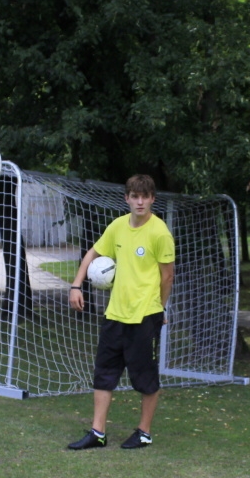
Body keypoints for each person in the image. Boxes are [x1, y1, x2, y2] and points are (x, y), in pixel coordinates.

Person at [67, 174, 175, 450]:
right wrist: (76, 285)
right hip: (115, 314)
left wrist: (159, 309)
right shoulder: (117, 226)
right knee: (104, 373)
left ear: (152, 199)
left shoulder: (160, 233)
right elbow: (93, 252)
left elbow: (167, 277)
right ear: (127, 198)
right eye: (135, 196)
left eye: (145, 196)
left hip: (144, 316)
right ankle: (97, 433)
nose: (140, 202)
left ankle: (144, 432)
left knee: (145, 377)